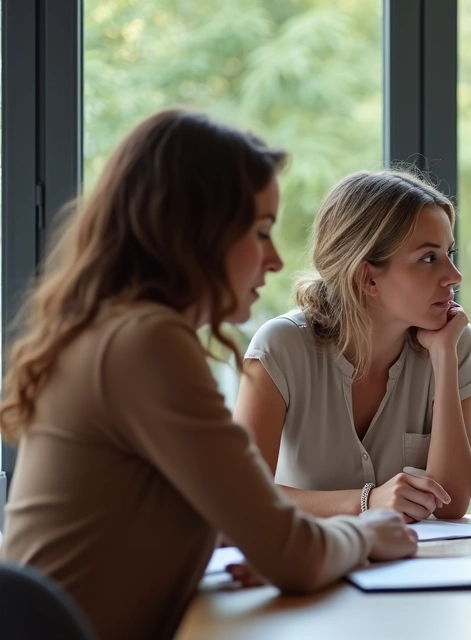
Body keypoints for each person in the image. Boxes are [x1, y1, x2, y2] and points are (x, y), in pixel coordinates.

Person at [0, 109, 417, 640]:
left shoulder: (111, 331)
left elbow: (221, 521)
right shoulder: (144, 343)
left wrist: (266, 540)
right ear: (198, 232)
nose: (274, 259)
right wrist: (364, 531)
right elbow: (292, 556)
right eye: (261, 232)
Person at [235, 170, 471, 522]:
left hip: (412, 569)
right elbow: (243, 494)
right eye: (429, 258)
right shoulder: (281, 347)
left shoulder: (455, 343)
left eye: (449, 252)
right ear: (367, 277)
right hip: (311, 568)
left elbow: (451, 504)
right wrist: (367, 501)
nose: (454, 275)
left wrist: (444, 359)